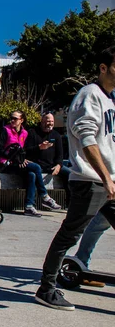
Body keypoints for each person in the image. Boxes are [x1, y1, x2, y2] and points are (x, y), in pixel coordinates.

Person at [35, 45, 115, 311]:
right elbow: (87, 139)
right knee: (69, 235)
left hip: (108, 181)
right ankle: (46, 288)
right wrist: (105, 177)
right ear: (103, 68)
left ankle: (71, 269)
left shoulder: (110, 99)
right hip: (91, 181)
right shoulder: (89, 95)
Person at [0, 110, 60, 217]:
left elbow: (24, 150)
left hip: (18, 163)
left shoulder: (25, 133)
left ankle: (29, 206)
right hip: (6, 163)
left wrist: (23, 158)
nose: (12, 120)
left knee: (32, 174)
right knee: (36, 167)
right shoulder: (5, 130)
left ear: (22, 120)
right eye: (11, 118)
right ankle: (44, 196)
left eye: (15, 118)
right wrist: (16, 158)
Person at [25, 113, 71, 206]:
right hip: (37, 165)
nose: (50, 123)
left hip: (51, 165)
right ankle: (33, 203)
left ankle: (70, 203)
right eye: (48, 121)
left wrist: (58, 165)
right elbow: (26, 150)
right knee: (31, 175)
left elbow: (60, 154)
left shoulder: (56, 135)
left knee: (70, 174)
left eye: (52, 121)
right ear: (42, 121)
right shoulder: (32, 132)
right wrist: (39, 147)